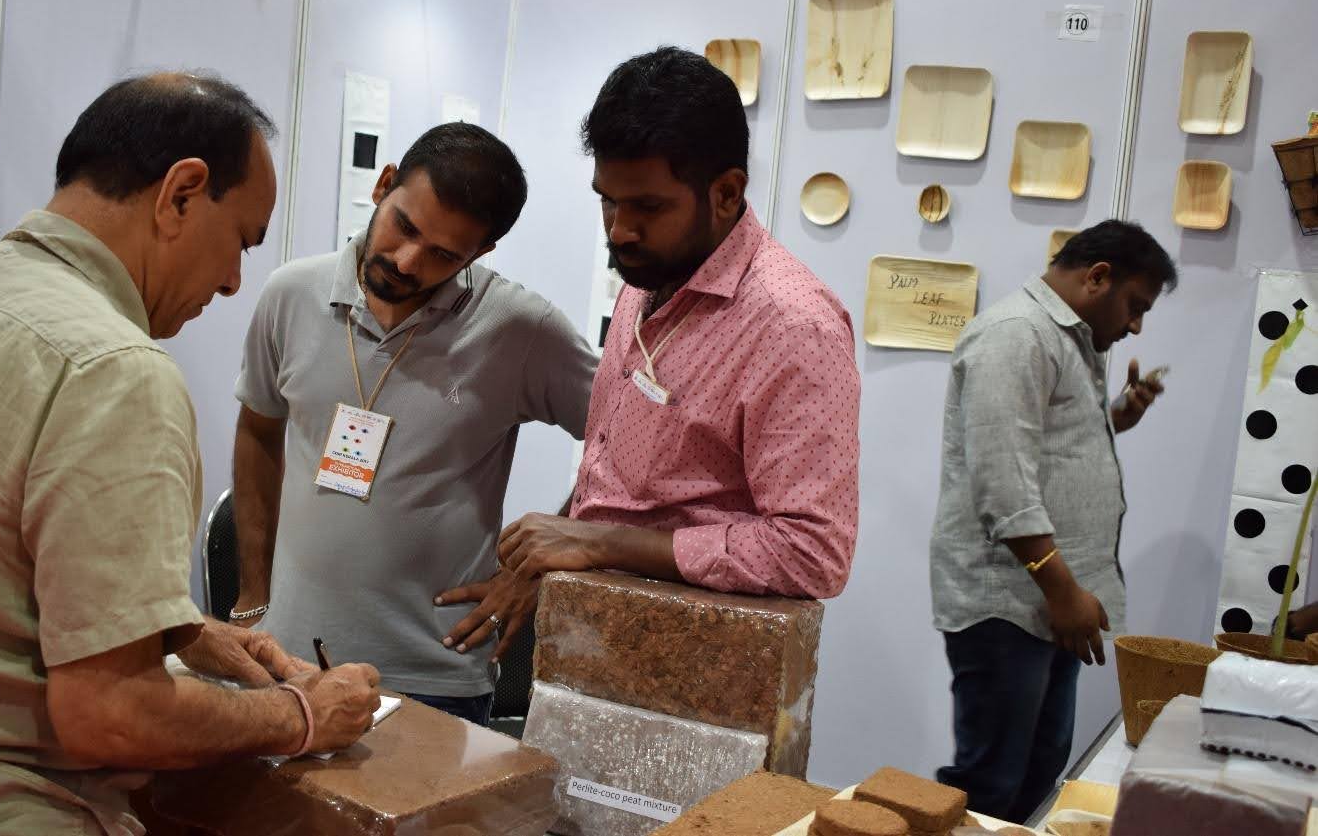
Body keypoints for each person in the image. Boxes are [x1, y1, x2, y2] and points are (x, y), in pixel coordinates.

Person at [0, 74, 380, 835]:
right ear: (182, 193)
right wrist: (299, 715)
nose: (230, 281)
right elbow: (110, 716)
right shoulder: (117, 371)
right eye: (241, 242)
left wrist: (174, 626)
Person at [447, 45, 860, 620]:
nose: (620, 231)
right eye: (607, 202)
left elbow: (813, 553)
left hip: (699, 675)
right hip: (595, 641)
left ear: (726, 193)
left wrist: (599, 545)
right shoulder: (648, 278)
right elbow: (615, 470)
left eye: (646, 207)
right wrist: (557, 549)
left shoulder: (793, 326)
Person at [230, 122, 596, 726]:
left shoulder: (520, 330)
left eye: (444, 255)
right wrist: (251, 597)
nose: (407, 261)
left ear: (481, 253)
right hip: (287, 664)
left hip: (434, 681)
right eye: (405, 226)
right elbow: (258, 429)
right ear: (384, 184)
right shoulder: (290, 295)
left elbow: (633, 448)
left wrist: (542, 562)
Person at [929, 220, 1177, 822]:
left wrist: (1115, 416)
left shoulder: (1066, 340)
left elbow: (1046, 447)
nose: (1138, 325)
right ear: (1098, 277)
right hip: (1011, 602)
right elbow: (1002, 482)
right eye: (1136, 306)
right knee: (989, 784)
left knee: (1037, 774)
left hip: (1048, 600)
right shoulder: (1017, 335)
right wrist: (1062, 590)